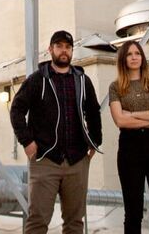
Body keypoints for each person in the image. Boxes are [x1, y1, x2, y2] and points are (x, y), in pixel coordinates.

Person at [9, 30, 104, 234]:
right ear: (50, 49)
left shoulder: (82, 80)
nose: (64, 51)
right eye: (59, 46)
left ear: (72, 51)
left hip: (77, 160)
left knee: (75, 222)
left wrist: (95, 141)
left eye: (68, 47)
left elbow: (93, 111)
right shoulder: (37, 80)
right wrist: (27, 141)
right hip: (45, 159)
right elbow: (16, 109)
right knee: (37, 221)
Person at [108, 40, 149, 234]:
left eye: (137, 53)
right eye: (129, 54)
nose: (134, 57)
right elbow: (120, 121)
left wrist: (133, 115)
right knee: (133, 212)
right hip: (130, 148)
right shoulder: (116, 87)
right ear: (123, 59)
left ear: (142, 57)